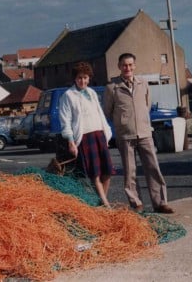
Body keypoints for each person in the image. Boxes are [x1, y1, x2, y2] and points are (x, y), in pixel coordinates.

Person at [103, 53, 175, 214]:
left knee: (153, 168)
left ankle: (161, 203)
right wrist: (123, 122)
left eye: (130, 65)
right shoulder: (112, 87)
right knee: (130, 172)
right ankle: (136, 204)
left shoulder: (143, 83)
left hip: (144, 133)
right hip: (125, 135)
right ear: (119, 66)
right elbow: (108, 111)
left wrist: (141, 121)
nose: (127, 68)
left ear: (134, 66)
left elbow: (147, 105)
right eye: (124, 65)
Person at [59, 61, 114, 208]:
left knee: (107, 172)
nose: (82, 81)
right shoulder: (68, 96)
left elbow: (100, 114)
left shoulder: (92, 93)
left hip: (99, 136)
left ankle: (100, 202)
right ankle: (106, 205)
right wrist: (71, 141)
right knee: (95, 175)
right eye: (79, 78)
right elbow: (65, 121)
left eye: (85, 78)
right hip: (84, 138)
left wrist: (106, 133)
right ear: (74, 79)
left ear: (89, 78)